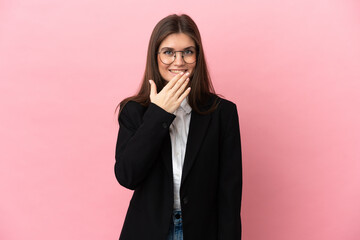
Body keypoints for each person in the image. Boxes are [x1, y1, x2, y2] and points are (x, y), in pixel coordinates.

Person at [114, 14, 242, 240]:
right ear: (155, 57)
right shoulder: (134, 111)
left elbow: (229, 193)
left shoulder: (223, 113)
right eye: (169, 52)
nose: (179, 61)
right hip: (147, 231)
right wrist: (159, 115)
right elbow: (127, 176)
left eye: (188, 52)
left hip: (202, 231)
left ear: (197, 57)